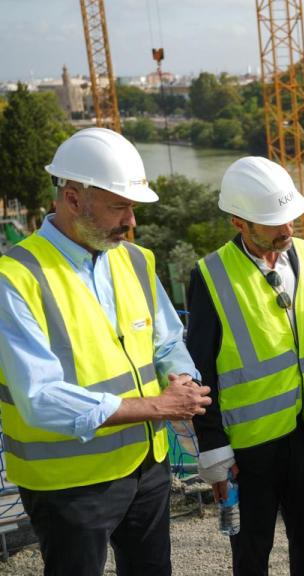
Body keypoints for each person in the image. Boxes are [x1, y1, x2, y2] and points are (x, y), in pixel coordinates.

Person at [0, 127, 211, 576]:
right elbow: (38, 399)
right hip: (70, 484)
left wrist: (181, 377)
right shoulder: (14, 279)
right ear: (73, 198)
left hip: (146, 466)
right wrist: (158, 404)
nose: (131, 221)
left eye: (132, 207)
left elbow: (168, 339)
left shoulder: (134, 259)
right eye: (119, 206)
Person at [186, 156, 304, 576]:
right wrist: (214, 448)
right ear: (239, 222)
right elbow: (199, 369)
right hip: (249, 445)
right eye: (274, 222)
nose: (287, 230)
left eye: (290, 218)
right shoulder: (211, 275)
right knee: (252, 548)